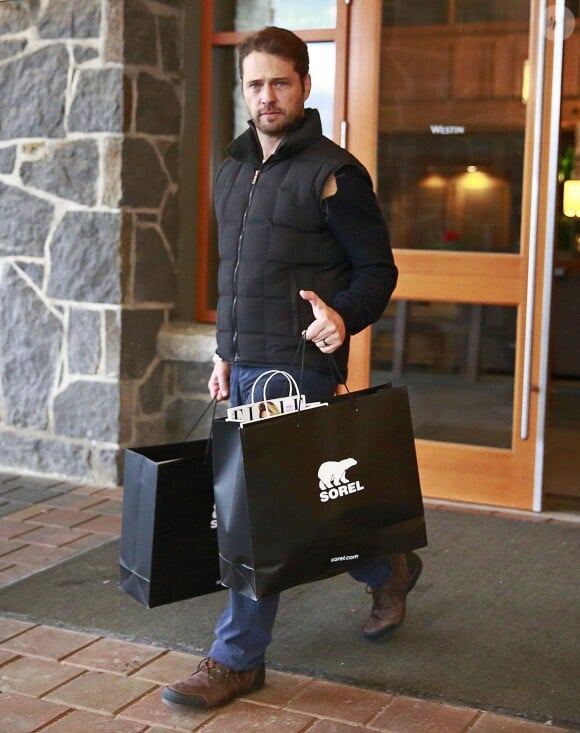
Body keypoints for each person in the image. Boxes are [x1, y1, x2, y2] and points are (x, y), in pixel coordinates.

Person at [162, 26, 422, 710]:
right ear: (242, 91)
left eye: (279, 81)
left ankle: (236, 657)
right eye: (254, 84)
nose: (266, 95)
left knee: (260, 516)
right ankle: (383, 564)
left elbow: (377, 270)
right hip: (246, 362)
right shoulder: (233, 165)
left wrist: (342, 315)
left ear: (305, 85)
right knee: (299, 513)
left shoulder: (335, 172)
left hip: (298, 370)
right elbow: (237, 273)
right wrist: (224, 348)